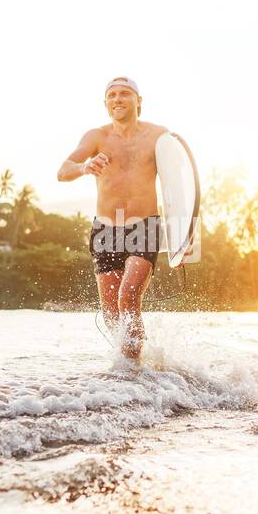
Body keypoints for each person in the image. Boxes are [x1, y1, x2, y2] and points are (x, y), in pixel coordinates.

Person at [57, 77, 167, 360]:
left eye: (125, 94)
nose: (117, 99)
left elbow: (179, 183)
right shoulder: (96, 137)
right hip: (105, 230)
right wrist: (85, 166)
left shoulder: (159, 136)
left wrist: (186, 232)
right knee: (110, 311)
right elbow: (63, 171)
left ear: (138, 101)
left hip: (144, 226)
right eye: (112, 95)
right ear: (106, 103)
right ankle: (132, 362)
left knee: (127, 296)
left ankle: (130, 372)